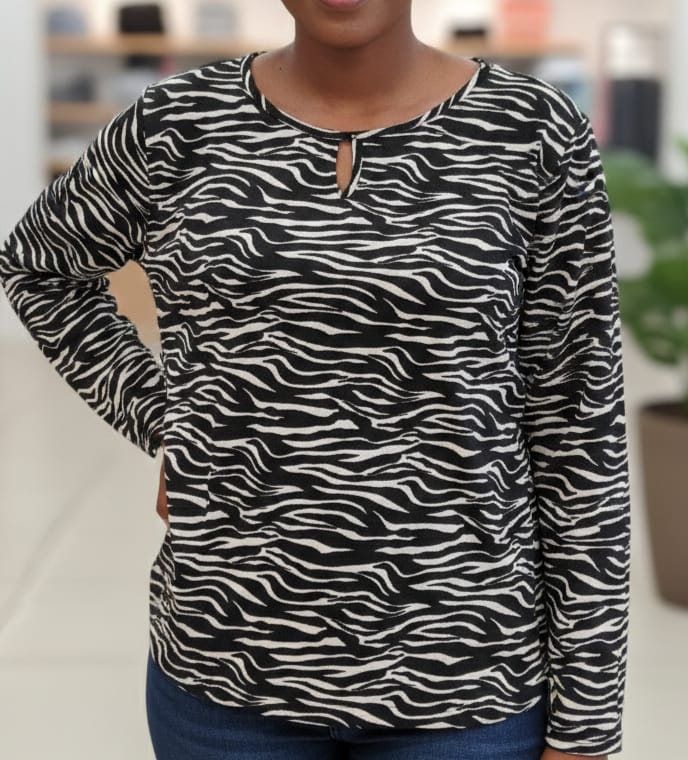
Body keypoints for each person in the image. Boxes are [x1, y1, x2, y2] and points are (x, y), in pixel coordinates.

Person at [0, 1, 630, 759]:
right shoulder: (178, 124)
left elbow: (580, 428)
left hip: (464, 674)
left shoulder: (532, 130)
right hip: (226, 664)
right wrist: (169, 420)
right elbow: (40, 268)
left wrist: (588, 717)